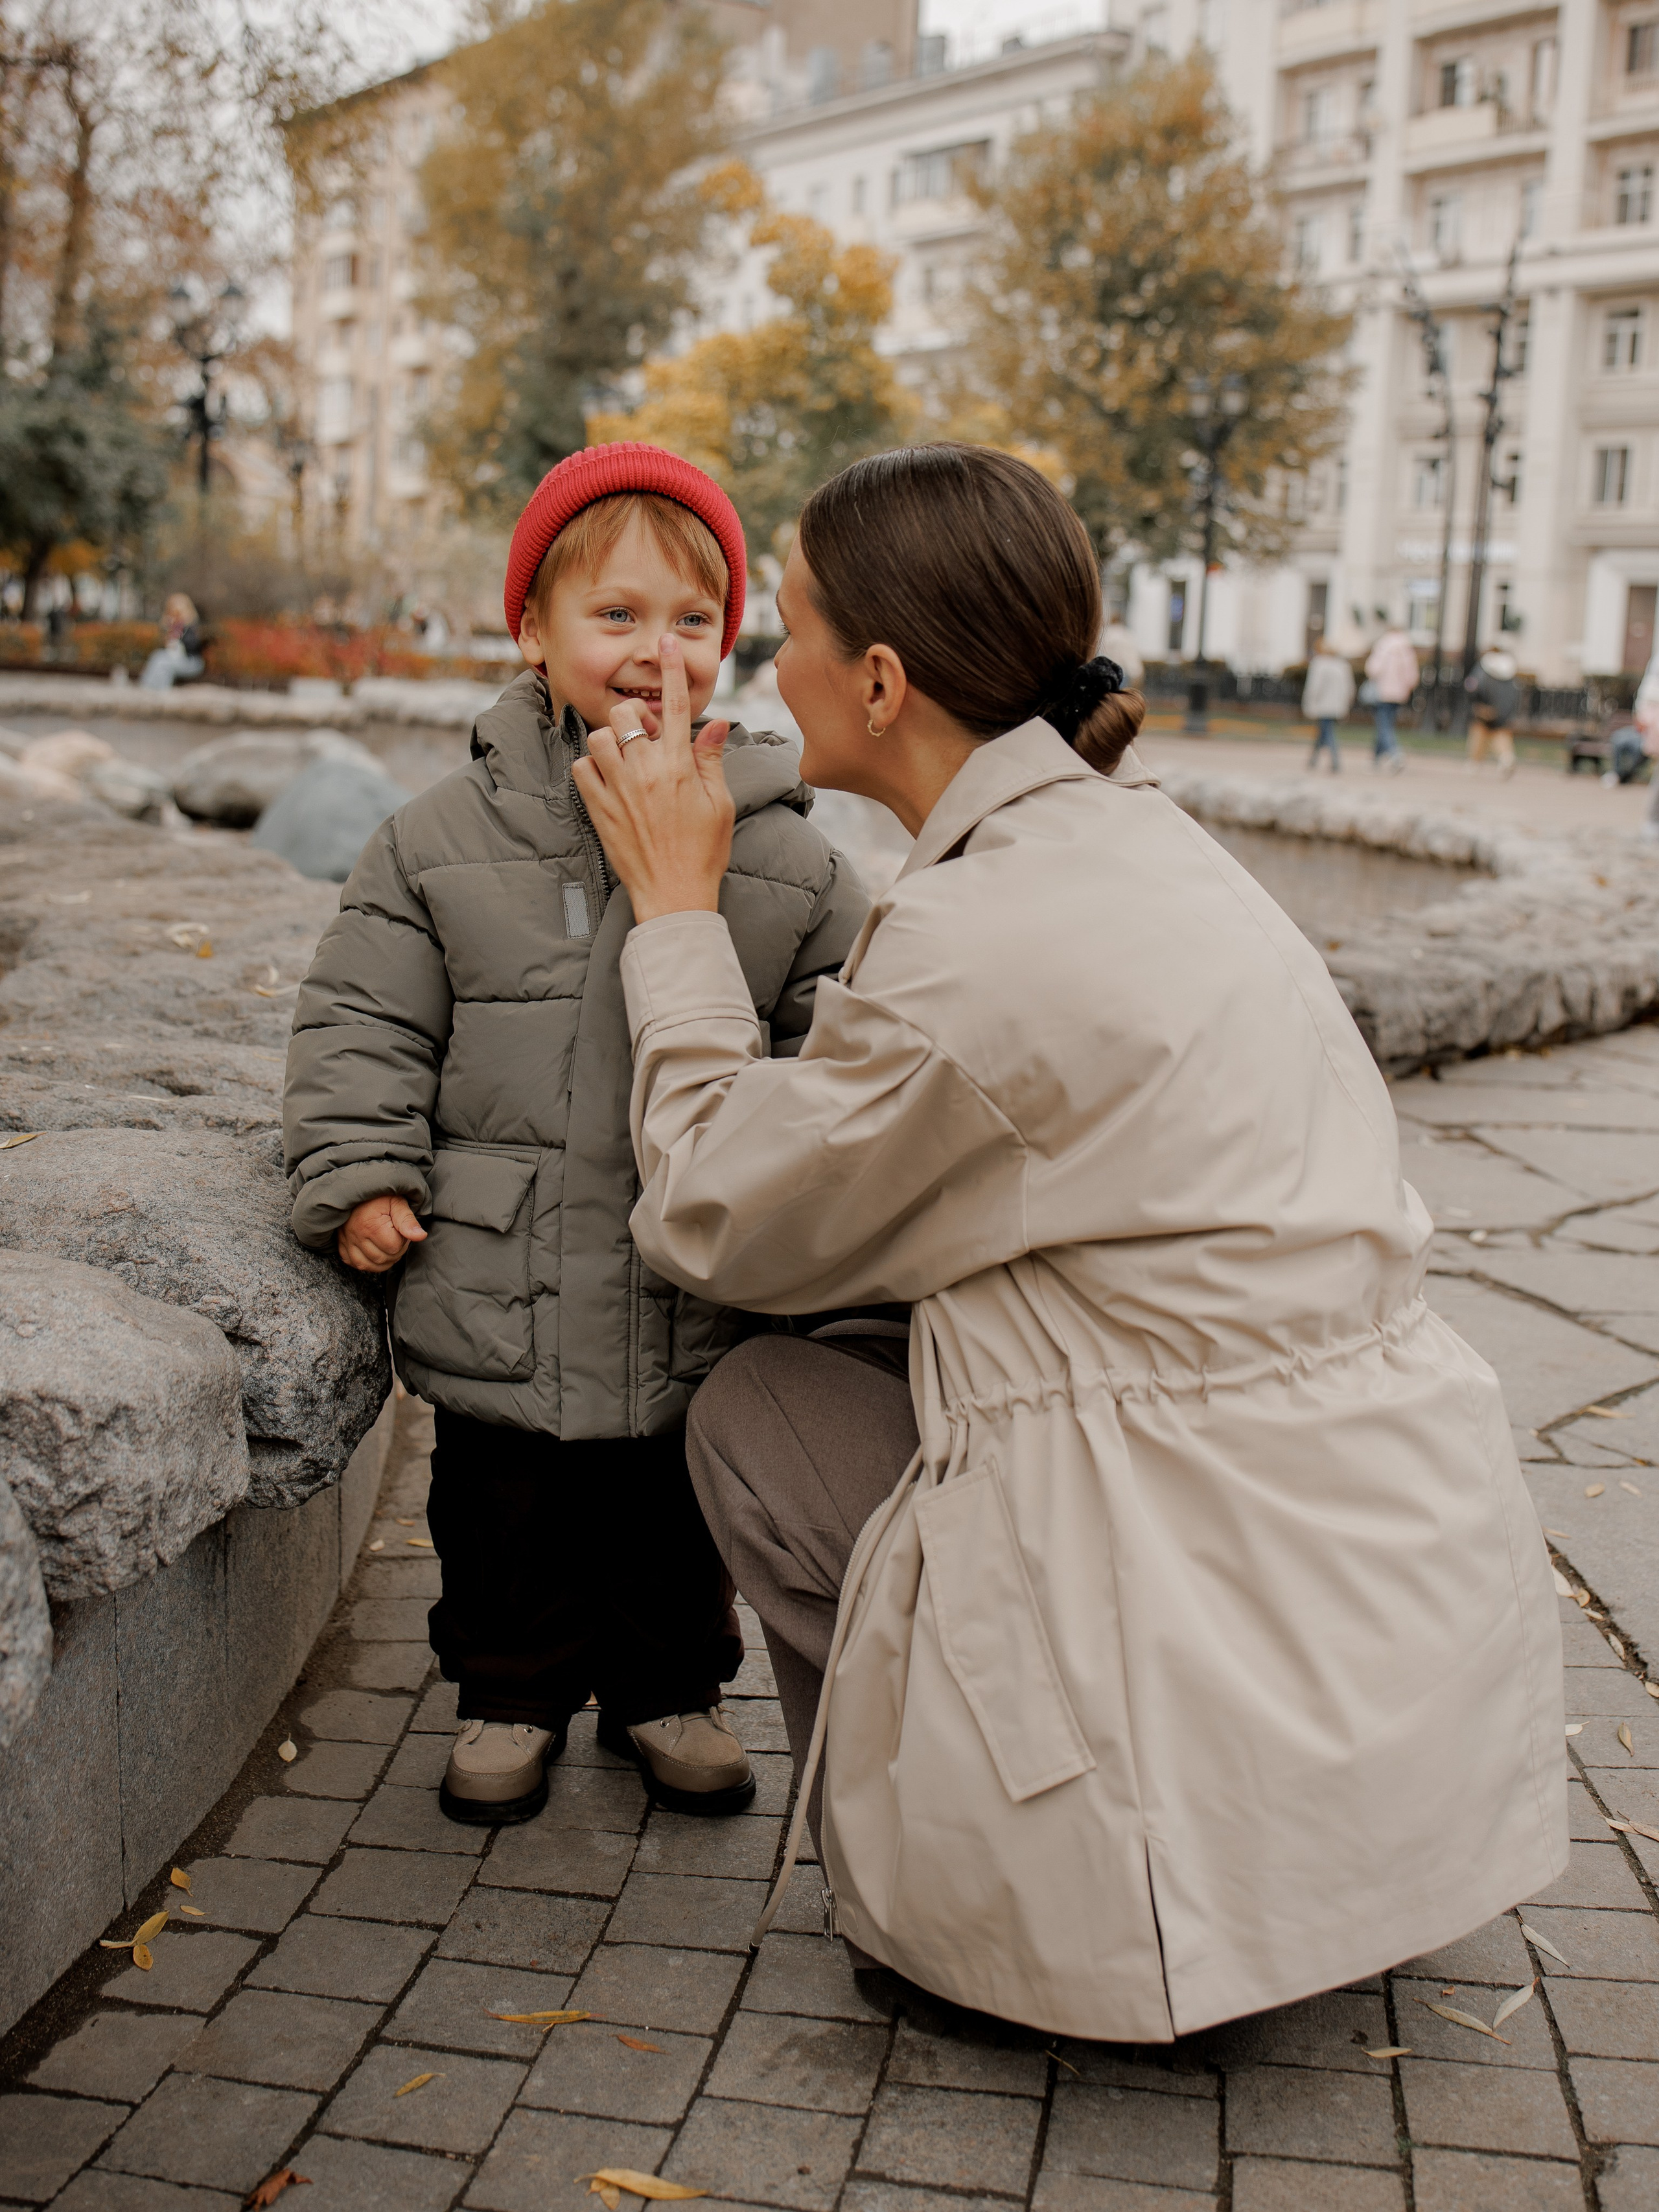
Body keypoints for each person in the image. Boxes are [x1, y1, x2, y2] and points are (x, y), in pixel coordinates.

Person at [572, 443, 1566, 2040]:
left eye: (792, 625)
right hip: (1371, 1607)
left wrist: (679, 912)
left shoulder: (987, 932)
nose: (762, 664)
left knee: (758, 1409)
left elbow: (713, 1209)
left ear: (879, 681)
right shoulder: (1142, 844)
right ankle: (1213, 1841)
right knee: (865, 1358)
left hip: (1189, 1569)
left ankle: (958, 1886)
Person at [283, 443, 867, 1827]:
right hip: (505, 1275)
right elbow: (362, 1018)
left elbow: (838, 1038)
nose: (654, 650)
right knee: (503, 1508)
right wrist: (361, 1167)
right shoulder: (438, 841)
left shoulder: (782, 853)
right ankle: (508, 1687)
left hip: (688, 1279)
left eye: (690, 620)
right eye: (614, 615)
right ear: (531, 633)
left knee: (678, 1514)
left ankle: (669, 1683)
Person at [1362, 620, 1417, 773]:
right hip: (1399, 693)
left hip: (1383, 691)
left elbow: (1373, 669)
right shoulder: (1407, 648)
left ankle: (1395, 753)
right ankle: (1375, 759)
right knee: (1385, 724)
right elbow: (1412, 675)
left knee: (1384, 725)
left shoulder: (1384, 645)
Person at [1301, 633, 1354, 772]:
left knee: (1327, 731)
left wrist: (1309, 704)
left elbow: (1314, 687)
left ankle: (1335, 759)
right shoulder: (1343, 666)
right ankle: (1314, 758)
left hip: (1322, 704)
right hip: (1337, 704)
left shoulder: (1319, 664)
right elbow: (1349, 688)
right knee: (1323, 731)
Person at [1465, 645, 1520, 776]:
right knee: (1500, 734)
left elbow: (1471, 686)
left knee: (1479, 732)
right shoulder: (1510, 670)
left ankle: (1475, 761)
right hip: (1502, 711)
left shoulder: (1483, 668)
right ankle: (1507, 758)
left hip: (1483, 707)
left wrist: (1477, 704)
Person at [139, 593, 205, 690]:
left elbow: (193, 646)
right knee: (158, 657)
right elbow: (165, 649)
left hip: (191, 661)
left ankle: (162, 690)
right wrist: (168, 631)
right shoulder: (169, 628)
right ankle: (147, 687)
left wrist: (180, 633)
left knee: (164, 662)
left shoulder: (191, 627)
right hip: (174, 659)